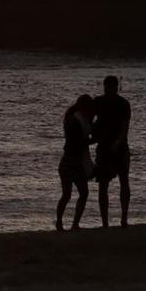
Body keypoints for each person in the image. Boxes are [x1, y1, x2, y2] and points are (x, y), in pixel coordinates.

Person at [92, 75, 132, 227]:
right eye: (106, 87)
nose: (108, 90)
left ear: (116, 87)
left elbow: (124, 127)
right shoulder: (98, 102)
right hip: (103, 146)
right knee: (103, 184)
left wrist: (117, 142)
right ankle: (105, 222)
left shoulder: (123, 104)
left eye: (111, 87)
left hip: (120, 147)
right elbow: (91, 120)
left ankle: (124, 218)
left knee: (124, 181)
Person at [56, 94, 95, 231]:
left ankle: (64, 223)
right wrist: (94, 140)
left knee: (68, 194)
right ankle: (71, 223)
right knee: (81, 193)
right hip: (73, 161)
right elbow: (77, 143)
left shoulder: (76, 119)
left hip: (69, 161)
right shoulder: (75, 121)